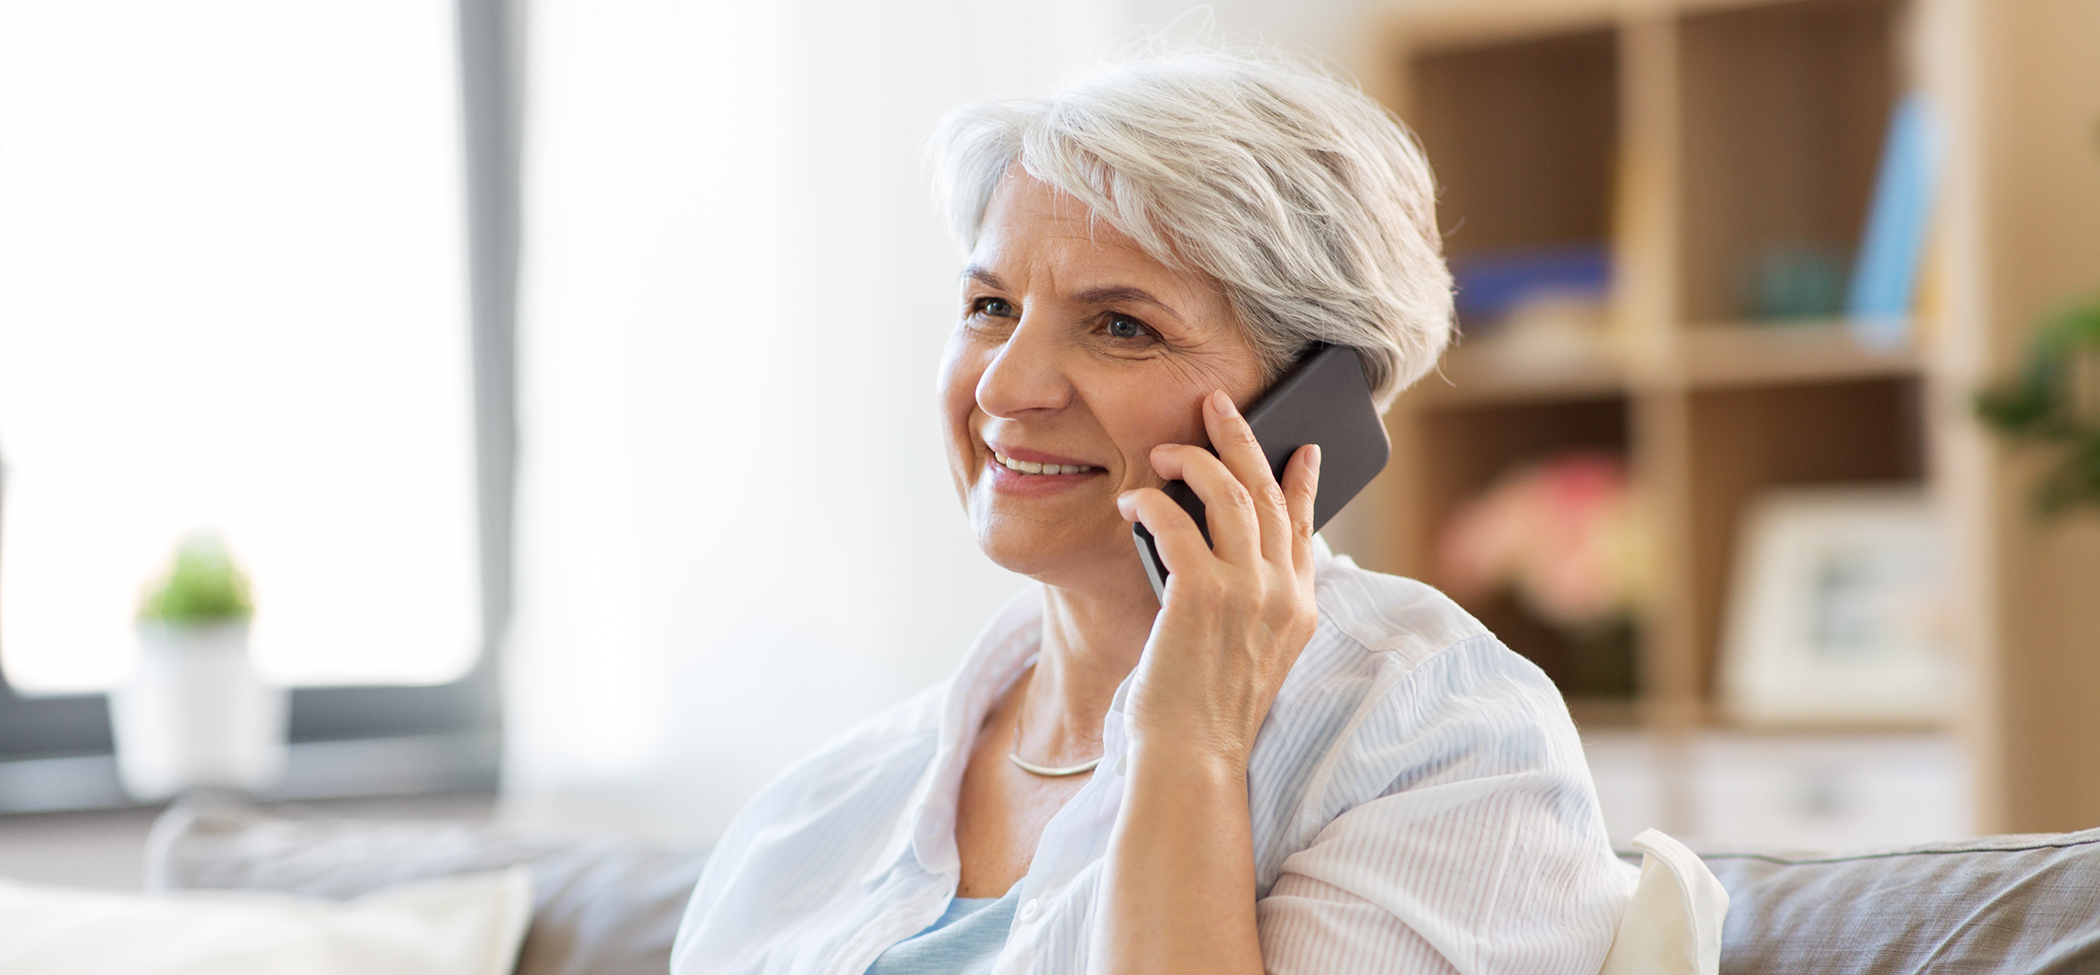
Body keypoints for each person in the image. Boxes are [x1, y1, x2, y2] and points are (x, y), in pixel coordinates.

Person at [671, 46, 1635, 975]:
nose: (1006, 387)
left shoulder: (1438, 740)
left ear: (1314, 397)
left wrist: (1192, 745)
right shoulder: (818, 806)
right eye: (989, 307)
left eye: (1122, 326)